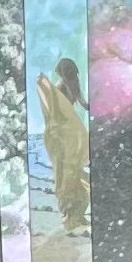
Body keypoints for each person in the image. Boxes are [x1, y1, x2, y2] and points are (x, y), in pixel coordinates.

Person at [35, 58, 91, 232]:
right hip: (66, 135)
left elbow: (54, 111)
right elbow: (84, 105)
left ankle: (73, 216)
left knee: (66, 173)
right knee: (70, 172)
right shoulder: (70, 88)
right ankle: (74, 217)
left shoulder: (58, 90)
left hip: (62, 135)